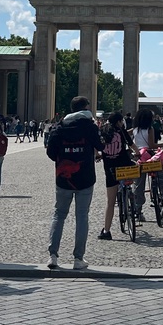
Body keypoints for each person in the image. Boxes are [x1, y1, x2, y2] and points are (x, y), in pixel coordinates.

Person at [44, 96, 104, 269]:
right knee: (82, 216)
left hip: (64, 179)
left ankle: (53, 256)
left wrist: (63, 159)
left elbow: (50, 152)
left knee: (59, 215)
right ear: (85, 108)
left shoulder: (59, 126)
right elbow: (100, 146)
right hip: (85, 177)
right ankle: (78, 258)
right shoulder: (90, 126)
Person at [131, 107, 163, 217]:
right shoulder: (150, 129)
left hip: (138, 158)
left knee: (138, 185)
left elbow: (125, 135)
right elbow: (151, 145)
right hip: (149, 158)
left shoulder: (135, 129)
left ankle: (137, 210)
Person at [97, 111, 133, 240]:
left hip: (109, 168)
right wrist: (138, 153)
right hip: (124, 165)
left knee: (110, 202)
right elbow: (131, 144)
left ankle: (106, 231)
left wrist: (98, 155)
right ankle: (130, 195)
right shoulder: (121, 131)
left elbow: (96, 145)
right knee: (135, 171)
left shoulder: (102, 131)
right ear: (118, 122)